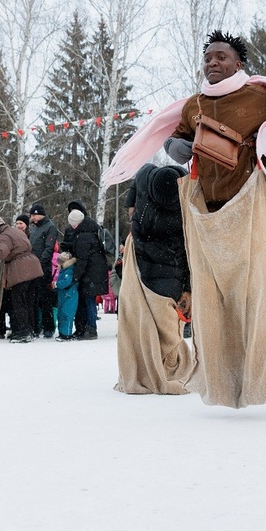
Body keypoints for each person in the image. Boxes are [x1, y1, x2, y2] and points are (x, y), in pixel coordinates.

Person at [101, 30, 266, 408]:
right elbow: (176, 141)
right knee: (214, 300)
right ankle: (223, 379)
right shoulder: (194, 105)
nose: (213, 63)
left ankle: (263, 374)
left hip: (249, 202)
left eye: (221, 57)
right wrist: (178, 144)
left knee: (255, 292)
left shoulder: (260, 97)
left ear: (238, 63)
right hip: (206, 209)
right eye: (208, 58)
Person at [115, 163, 194, 395]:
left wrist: (187, 287)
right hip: (140, 258)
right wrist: (131, 203)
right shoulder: (145, 176)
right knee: (139, 318)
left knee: (167, 322)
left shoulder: (186, 205)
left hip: (171, 262)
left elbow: (190, 253)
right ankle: (151, 365)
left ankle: (166, 364)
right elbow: (141, 172)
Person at [0, 212, 44, 344]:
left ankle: (23, 332)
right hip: (33, 266)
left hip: (20, 270)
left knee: (19, 302)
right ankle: (30, 330)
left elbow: (0, 253)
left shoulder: (3, 237)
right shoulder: (15, 231)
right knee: (29, 302)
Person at [66, 209, 110, 341]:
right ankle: (87, 328)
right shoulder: (91, 230)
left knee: (89, 301)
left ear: (75, 224)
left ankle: (90, 328)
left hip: (90, 274)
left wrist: (76, 276)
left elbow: (82, 259)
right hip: (95, 272)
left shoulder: (82, 236)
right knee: (88, 300)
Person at [28, 203, 59, 340]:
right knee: (34, 299)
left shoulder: (50, 227)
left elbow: (49, 248)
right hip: (32, 268)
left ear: (41, 214)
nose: (32, 218)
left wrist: (40, 263)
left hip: (43, 268)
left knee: (46, 299)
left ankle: (48, 327)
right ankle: (35, 326)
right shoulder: (34, 229)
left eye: (34, 215)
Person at [53, 252, 78, 341]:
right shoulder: (64, 270)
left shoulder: (69, 270)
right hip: (64, 295)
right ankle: (63, 333)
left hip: (69, 295)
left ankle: (66, 334)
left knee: (67, 314)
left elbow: (66, 282)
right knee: (62, 314)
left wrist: (56, 285)